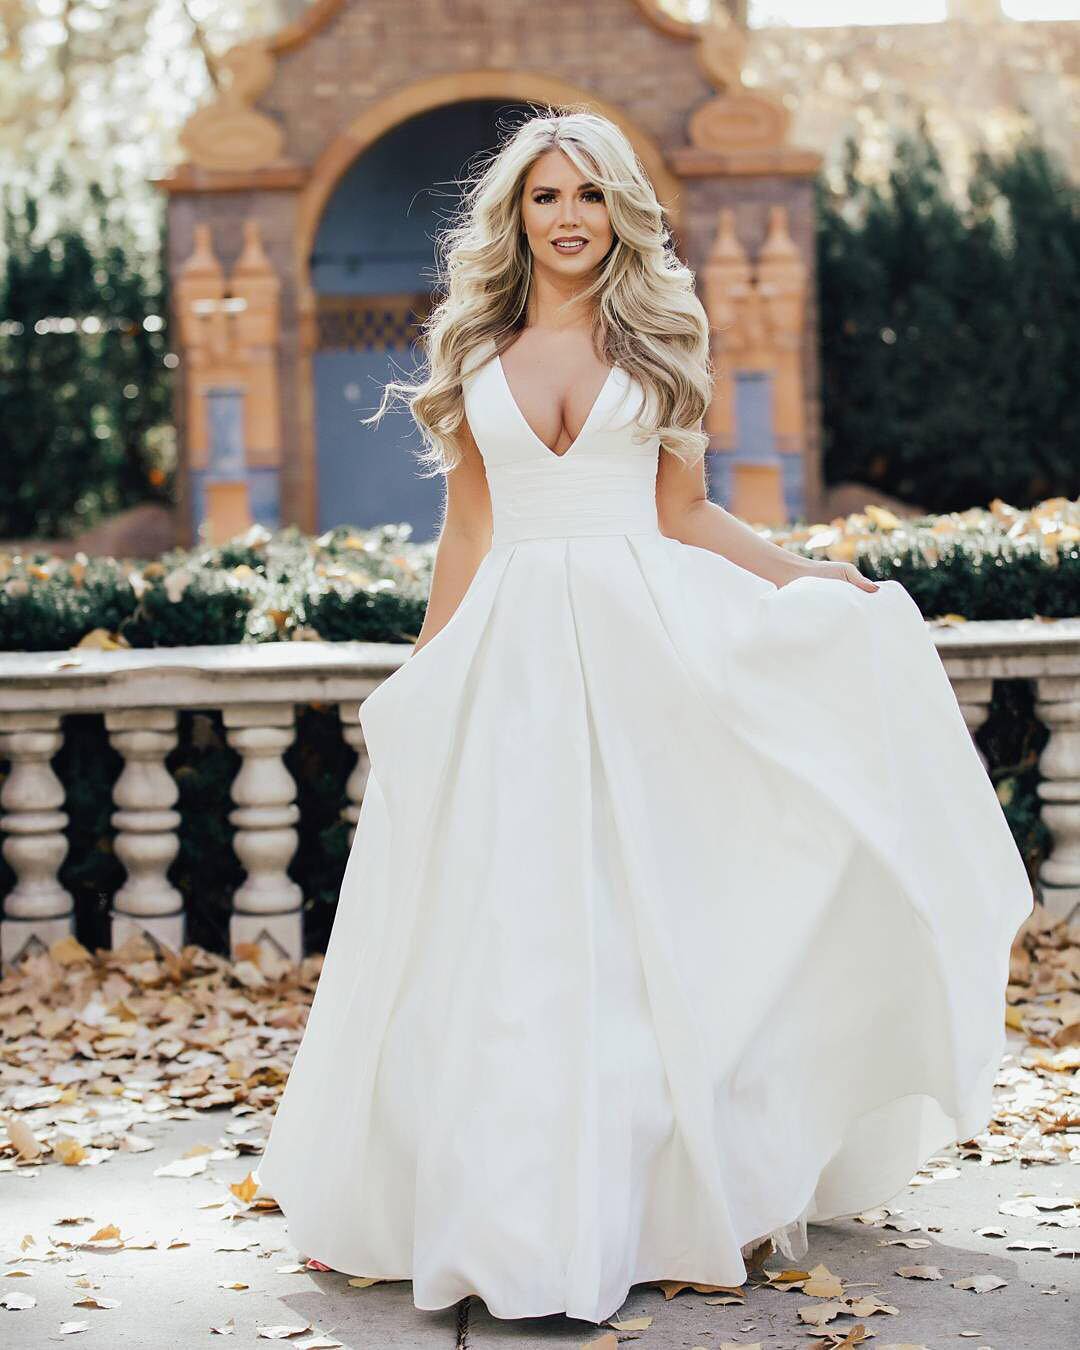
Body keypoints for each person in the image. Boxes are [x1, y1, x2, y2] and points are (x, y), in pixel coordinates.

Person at [254, 108, 1033, 1326]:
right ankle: (509, 1207)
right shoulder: (472, 353)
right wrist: (423, 675)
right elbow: (468, 532)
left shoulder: (665, 341)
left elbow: (686, 515)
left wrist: (809, 579)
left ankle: (661, 1188)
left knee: (647, 912)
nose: (568, 218)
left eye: (589, 197)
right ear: (516, 219)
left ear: (620, 211)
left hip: (642, 644)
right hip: (513, 655)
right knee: (513, 924)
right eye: (545, 199)